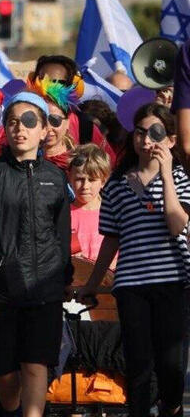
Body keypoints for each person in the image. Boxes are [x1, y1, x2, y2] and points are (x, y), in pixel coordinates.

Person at [78, 103, 190, 417]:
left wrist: (166, 173)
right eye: (140, 132)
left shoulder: (181, 178)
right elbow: (111, 239)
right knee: (138, 361)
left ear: (169, 139)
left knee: (171, 363)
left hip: (173, 280)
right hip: (131, 285)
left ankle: (171, 406)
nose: (146, 140)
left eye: (155, 133)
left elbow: (176, 223)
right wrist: (90, 283)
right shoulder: (120, 184)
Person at [0, 92, 72, 417]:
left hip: (46, 291)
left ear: (44, 130)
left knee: (37, 365)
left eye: (29, 122)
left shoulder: (56, 178)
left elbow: (61, 237)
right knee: (5, 375)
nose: (20, 129)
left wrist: (64, 280)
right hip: (3, 291)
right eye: (13, 122)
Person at [0, 55, 113, 176]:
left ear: (73, 86)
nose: (47, 88)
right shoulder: (20, 122)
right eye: (41, 80)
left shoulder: (85, 126)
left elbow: (110, 166)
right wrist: (2, 197)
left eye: (57, 83)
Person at [67, 144, 111, 264]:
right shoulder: (63, 214)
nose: (85, 186)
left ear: (103, 180)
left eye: (92, 180)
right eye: (79, 179)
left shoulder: (112, 214)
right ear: (70, 177)